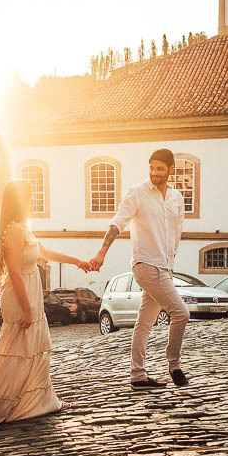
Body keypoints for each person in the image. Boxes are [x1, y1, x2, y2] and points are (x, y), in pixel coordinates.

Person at [0, 180, 91, 429]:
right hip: (20, 294)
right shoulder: (13, 230)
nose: (33, 201)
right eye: (30, 197)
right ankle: (3, 405)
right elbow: (14, 271)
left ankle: (36, 401)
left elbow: (45, 252)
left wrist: (77, 261)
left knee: (32, 348)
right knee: (17, 351)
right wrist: (26, 308)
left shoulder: (24, 228)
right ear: (20, 201)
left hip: (30, 292)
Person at [89, 148, 189, 390]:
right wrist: (102, 251)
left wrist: (171, 260)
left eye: (160, 168)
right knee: (181, 313)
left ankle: (138, 375)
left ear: (171, 170)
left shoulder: (176, 198)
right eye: (151, 167)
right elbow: (118, 222)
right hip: (145, 264)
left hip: (164, 266)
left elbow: (176, 233)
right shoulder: (137, 193)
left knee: (144, 323)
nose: (154, 173)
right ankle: (174, 364)